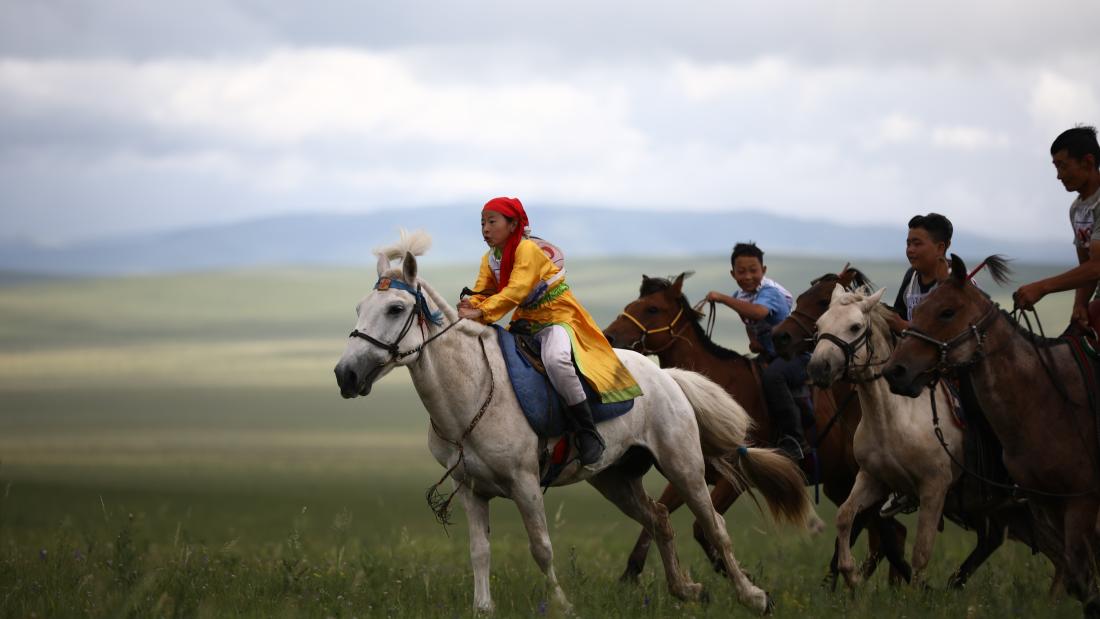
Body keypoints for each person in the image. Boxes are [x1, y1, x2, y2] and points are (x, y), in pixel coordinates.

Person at [457, 197, 641, 466]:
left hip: (558, 317)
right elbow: (484, 290)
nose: (485, 229)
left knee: (556, 360)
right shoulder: (491, 258)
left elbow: (516, 290)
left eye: (492, 222)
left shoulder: (527, 250)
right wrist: (469, 305)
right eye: (482, 223)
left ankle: (587, 432)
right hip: (527, 320)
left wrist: (482, 312)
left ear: (513, 225)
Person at [705, 242, 806, 460]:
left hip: (794, 355)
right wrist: (754, 341)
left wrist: (722, 298)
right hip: (770, 354)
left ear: (764, 270)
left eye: (754, 270)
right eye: (742, 272)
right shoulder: (740, 295)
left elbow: (759, 313)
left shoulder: (770, 291)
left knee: (773, 377)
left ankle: (794, 439)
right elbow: (750, 322)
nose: (748, 276)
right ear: (733, 274)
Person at [1015, 126, 1100, 332]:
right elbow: (1086, 267)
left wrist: (1042, 287)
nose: (1059, 176)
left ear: (1087, 162)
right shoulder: (1077, 209)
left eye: (1062, 166)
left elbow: (1097, 266)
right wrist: (1079, 304)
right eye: (1056, 167)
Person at [886, 213, 954, 334]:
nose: (910, 250)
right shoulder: (911, 276)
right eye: (908, 244)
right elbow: (898, 316)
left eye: (917, 244)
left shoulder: (958, 279)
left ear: (940, 248)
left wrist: (905, 327)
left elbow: (957, 331)